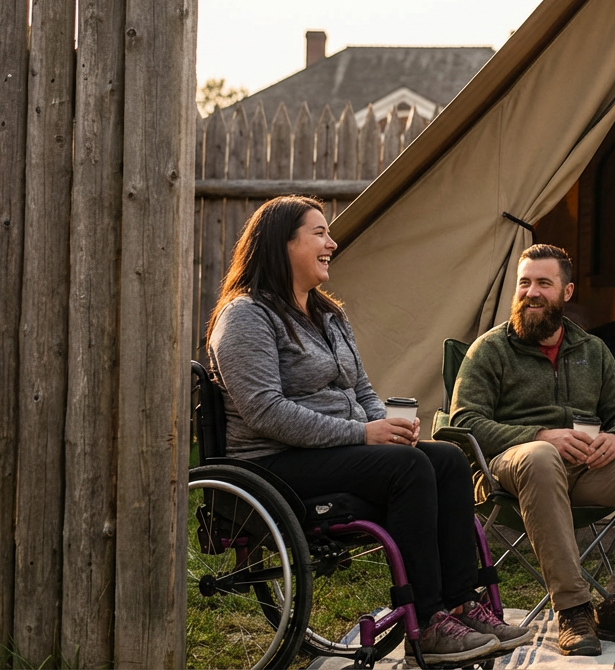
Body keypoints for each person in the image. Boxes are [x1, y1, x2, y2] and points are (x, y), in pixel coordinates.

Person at [207, 196, 531, 667]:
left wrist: (388, 426)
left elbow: (361, 388)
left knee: (445, 458)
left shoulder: (327, 314)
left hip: (333, 450)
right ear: (283, 244)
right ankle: (429, 621)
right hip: (273, 463)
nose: (332, 243)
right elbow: (265, 412)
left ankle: (461, 602)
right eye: (319, 233)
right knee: (408, 468)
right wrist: (363, 434)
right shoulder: (245, 316)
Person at [449, 244, 615, 657]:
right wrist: (541, 434)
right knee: (541, 455)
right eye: (524, 283)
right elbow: (464, 423)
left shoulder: (592, 350)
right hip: (513, 470)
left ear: (566, 292)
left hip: (585, 470)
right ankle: (573, 609)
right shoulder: (489, 350)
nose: (531, 293)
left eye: (544, 283)